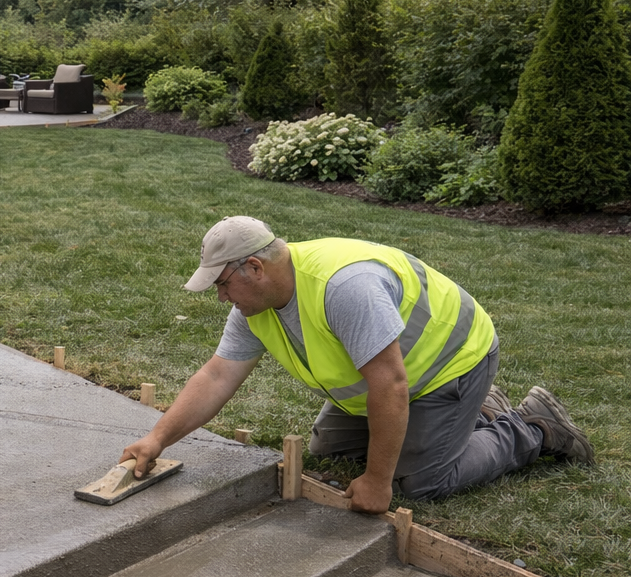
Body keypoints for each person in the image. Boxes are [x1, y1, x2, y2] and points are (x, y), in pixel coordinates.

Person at [121, 216, 594, 513]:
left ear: (256, 268)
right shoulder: (255, 306)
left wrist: (379, 481)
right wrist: (157, 439)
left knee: (421, 481)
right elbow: (217, 375)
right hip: (396, 377)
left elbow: (389, 386)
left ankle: (532, 427)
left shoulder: (344, 287)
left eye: (223, 284)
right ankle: (477, 411)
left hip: (451, 363)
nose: (221, 296)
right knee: (330, 448)